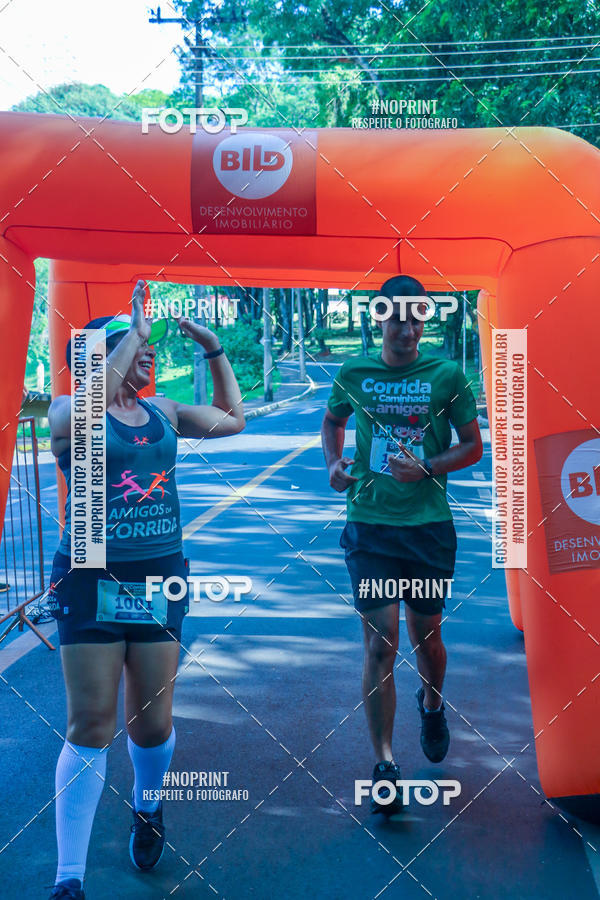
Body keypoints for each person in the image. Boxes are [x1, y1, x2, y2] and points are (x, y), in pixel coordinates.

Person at [46, 280, 245, 898]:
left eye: (145, 343)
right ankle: (69, 878)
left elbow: (233, 419)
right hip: (89, 577)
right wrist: (132, 331)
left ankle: (148, 806)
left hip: (159, 577)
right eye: (128, 344)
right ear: (98, 360)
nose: (145, 349)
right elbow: (87, 412)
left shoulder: (163, 412)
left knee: (151, 725)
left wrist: (213, 348)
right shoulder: (67, 413)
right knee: (90, 723)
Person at [321, 275, 482, 818]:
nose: (408, 329)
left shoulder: (446, 374)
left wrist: (428, 467)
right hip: (370, 526)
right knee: (380, 644)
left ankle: (431, 702)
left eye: (417, 318)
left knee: (426, 639)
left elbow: (473, 446)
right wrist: (333, 465)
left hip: (427, 526)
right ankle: (385, 765)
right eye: (397, 317)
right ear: (379, 318)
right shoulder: (355, 373)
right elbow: (332, 421)